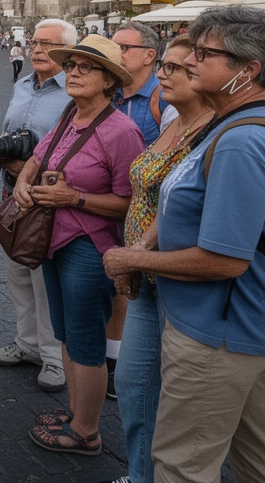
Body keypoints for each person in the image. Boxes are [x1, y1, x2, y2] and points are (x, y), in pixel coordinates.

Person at [102, 6, 265, 482]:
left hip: (220, 331)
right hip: (246, 324)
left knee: (182, 463)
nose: (189, 62)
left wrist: (129, 256)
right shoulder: (247, 122)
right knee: (262, 454)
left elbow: (225, 259)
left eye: (205, 53)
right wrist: (146, 247)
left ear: (248, 70)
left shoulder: (241, 141)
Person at [14, 34, 144, 455]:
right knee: (68, 332)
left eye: (85, 67)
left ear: (110, 80)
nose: (73, 72)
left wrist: (77, 198)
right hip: (56, 240)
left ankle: (87, 432)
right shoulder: (71, 113)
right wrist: (23, 179)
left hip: (89, 246)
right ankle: (75, 413)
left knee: (86, 338)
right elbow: (42, 154)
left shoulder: (122, 130)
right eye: (71, 65)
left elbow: (131, 202)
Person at [109, 35, 213, 483]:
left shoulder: (214, 131)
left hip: (182, 281)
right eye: (165, 67)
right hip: (147, 278)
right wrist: (138, 255)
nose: (164, 76)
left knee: (183, 401)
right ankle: (139, 474)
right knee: (132, 385)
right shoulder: (174, 123)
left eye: (176, 69)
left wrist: (141, 254)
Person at [0, 19, 76, 392]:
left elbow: (75, 146)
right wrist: (1, 157)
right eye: (34, 43)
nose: (36, 49)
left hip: (48, 198)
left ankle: (55, 359)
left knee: (45, 281)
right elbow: (13, 131)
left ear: (67, 52)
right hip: (13, 192)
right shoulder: (23, 84)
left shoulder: (74, 91)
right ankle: (28, 344)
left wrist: (34, 169)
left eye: (47, 44)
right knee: (18, 272)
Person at [105, 21, 170, 396]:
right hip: (109, 207)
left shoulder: (163, 100)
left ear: (149, 55)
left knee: (127, 293)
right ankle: (114, 358)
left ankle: (123, 364)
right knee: (113, 289)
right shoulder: (111, 95)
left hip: (144, 219)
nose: (117, 54)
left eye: (124, 48)